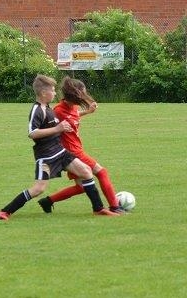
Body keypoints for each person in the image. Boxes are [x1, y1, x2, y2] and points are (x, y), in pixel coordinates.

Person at [0, 74, 118, 220]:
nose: (55, 93)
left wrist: (84, 113)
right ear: (44, 93)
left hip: (60, 151)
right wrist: (58, 129)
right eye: (52, 91)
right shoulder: (37, 110)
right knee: (39, 189)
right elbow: (32, 133)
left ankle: (98, 209)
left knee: (86, 171)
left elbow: (70, 116)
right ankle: (5, 211)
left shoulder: (48, 108)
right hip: (46, 156)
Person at [37, 77, 125, 214]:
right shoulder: (58, 111)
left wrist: (87, 111)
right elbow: (48, 126)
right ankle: (115, 207)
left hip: (75, 150)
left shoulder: (72, 107)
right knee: (102, 172)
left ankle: (47, 201)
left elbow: (73, 115)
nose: (84, 97)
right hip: (72, 152)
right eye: (82, 94)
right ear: (74, 95)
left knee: (81, 187)